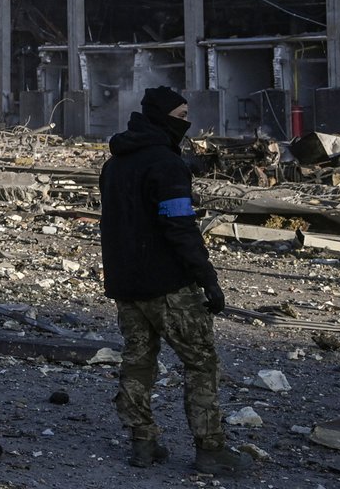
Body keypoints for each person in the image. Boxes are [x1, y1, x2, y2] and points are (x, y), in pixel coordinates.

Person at [99, 86, 253, 475]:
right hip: (168, 287)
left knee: (137, 363)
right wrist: (208, 279)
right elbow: (180, 227)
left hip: (125, 284)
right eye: (181, 114)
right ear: (163, 117)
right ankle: (210, 449)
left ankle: (143, 443)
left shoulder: (115, 164)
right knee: (201, 363)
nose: (186, 121)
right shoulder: (167, 165)